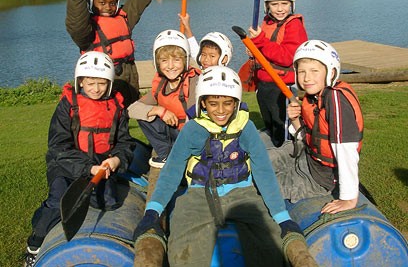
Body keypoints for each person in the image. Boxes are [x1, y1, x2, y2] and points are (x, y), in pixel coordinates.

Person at [133, 66, 307, 267]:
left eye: (228, 103)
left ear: (236, 103)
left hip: (243, 195)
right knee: (183, 253)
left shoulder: (246, 128)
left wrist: (282, 217)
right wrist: (153, 211)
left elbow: (264, 172)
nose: (221, 110)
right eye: (213, 104)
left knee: (271, 248)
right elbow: (171, 172)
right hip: (197, 196)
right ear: (203, 103)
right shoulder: (192, 130)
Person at [24, 51, 135, 267]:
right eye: (90, 83)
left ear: (109, 83)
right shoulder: (68, 106)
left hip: (100, 165)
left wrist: (116, 161)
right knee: (59, 202)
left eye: (102, 83)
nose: (96, 89)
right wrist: (87, 168)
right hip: (66, 165)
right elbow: (57, 147)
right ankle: (34, 244)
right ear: (80, 82)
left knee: (109, 203)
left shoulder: (117, 108)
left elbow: (125, 143)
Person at [59, 0, 180, 107]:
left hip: (130, 75)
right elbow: (75, 22)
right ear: (91, 2)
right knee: (110, 118)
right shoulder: (87, 29)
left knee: (131, 113)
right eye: (101, 3)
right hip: (105, 79)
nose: (107, 7)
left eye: (112, 2)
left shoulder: (124, 17)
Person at [269, 40, 364, 214]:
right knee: (258, 164)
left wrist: (348, 198)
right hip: (306, 157)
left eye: (314, 71)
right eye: (302, 71)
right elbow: (306, 138)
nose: (307, 78)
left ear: (331, 71)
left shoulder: (335, 100)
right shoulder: (313, 97)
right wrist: (296, 119)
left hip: (320, 178)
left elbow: (345, 149)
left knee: (264, 187)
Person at [248, 0, 308, 147]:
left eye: (284, 3)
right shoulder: (267, 22)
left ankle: (288, 156)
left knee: (283, 128)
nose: (280, 9)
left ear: (292, 3)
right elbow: (265, 48)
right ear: (267, 6)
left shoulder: (294, 25)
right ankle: (272, 151)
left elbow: (288, 57)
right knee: (270, 124)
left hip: (283, 86)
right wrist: (254, 47)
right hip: (265, 84)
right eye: (274, 4)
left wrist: (260, 41)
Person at [127, 29, 200, 168]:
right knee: (145, 115)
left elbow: (194, 120)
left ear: (185, 60)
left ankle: (181, 157)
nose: (171, 66)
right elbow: (131, 110)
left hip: (191, 136)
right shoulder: (161, 84)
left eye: (177, 60)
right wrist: (159, 110)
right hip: (174, 133)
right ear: (157, 63)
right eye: (164, 61)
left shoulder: (193, 81)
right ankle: (166, 155)